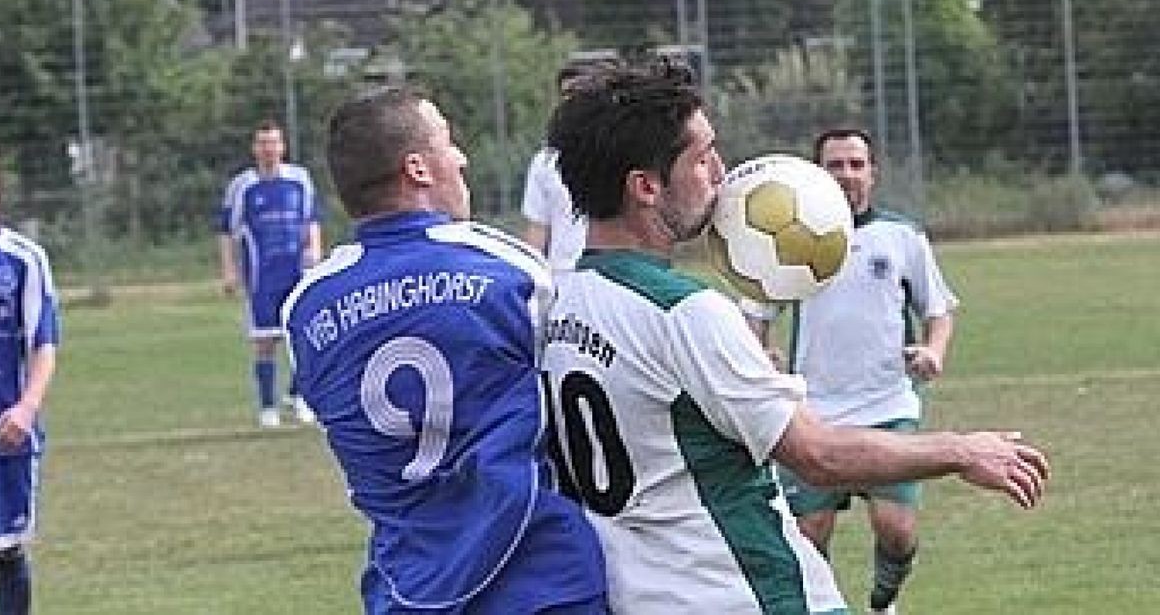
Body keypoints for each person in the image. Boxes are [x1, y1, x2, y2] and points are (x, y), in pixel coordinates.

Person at [542, 60, 1048, 614]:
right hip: (748, 595)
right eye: (703, 158)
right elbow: (818, 456)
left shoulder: (558, 301)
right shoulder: (685, 313)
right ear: (645, 186)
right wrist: (962, 450)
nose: (721, 172)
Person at [280, 87, 608, 613]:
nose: (461, 158)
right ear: (418, 169)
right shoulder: (509, 272)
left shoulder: (306, 308)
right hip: (541, 576)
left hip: (407, 588)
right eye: (448, 142)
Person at [750, 127, 958, 614]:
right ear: (818, 174)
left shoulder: (902, 236)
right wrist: (761, 357)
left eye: (856, 164)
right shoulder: (793, 240)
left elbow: (939, 310)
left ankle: (884, 601)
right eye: (835, 165)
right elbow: (754, 313)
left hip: (888, 404)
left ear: (872, 173)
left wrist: (934, 351)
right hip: (813, 413)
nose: (846, 174)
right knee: (808, 534)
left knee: (896, 528)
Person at [0, 140, 60, 615]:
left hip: (8, 432)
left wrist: (27, 407)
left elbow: (44, 343)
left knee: (9, 550)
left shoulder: (25, 259)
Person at [218, 120, 322, 427]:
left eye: (274, 142)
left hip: (297, 272)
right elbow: (227, 232)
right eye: (263, 143)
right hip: (261, 276)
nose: (269, 149)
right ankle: (267, 407)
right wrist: (229, 270)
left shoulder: (299, 180)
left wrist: (315, 251)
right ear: (254, 149)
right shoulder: (243, 186)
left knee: (305, 336)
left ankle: (298, 397)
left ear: (282, 147)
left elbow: (311, 219)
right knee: (266, 341)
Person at [520, 58, 619, 269]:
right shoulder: (545, 162)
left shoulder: (629, 155)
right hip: (563, 277)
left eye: (578, 95)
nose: (570, 104)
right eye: (565, 96)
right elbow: (537, 229)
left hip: (616, 275)